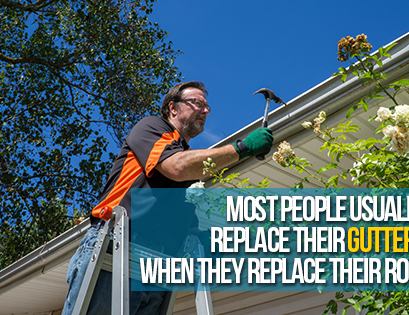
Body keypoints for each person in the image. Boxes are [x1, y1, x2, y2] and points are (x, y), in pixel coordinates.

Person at [62, 81, 273, 315]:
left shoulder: (188, 169)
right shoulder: (153, 127)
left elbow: (182, 220)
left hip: (157, 267)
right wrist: (243, 147)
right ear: (173, 108)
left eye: (207, 107)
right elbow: (176, 167)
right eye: (197, 103)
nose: (205, 110)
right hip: (114, 247)